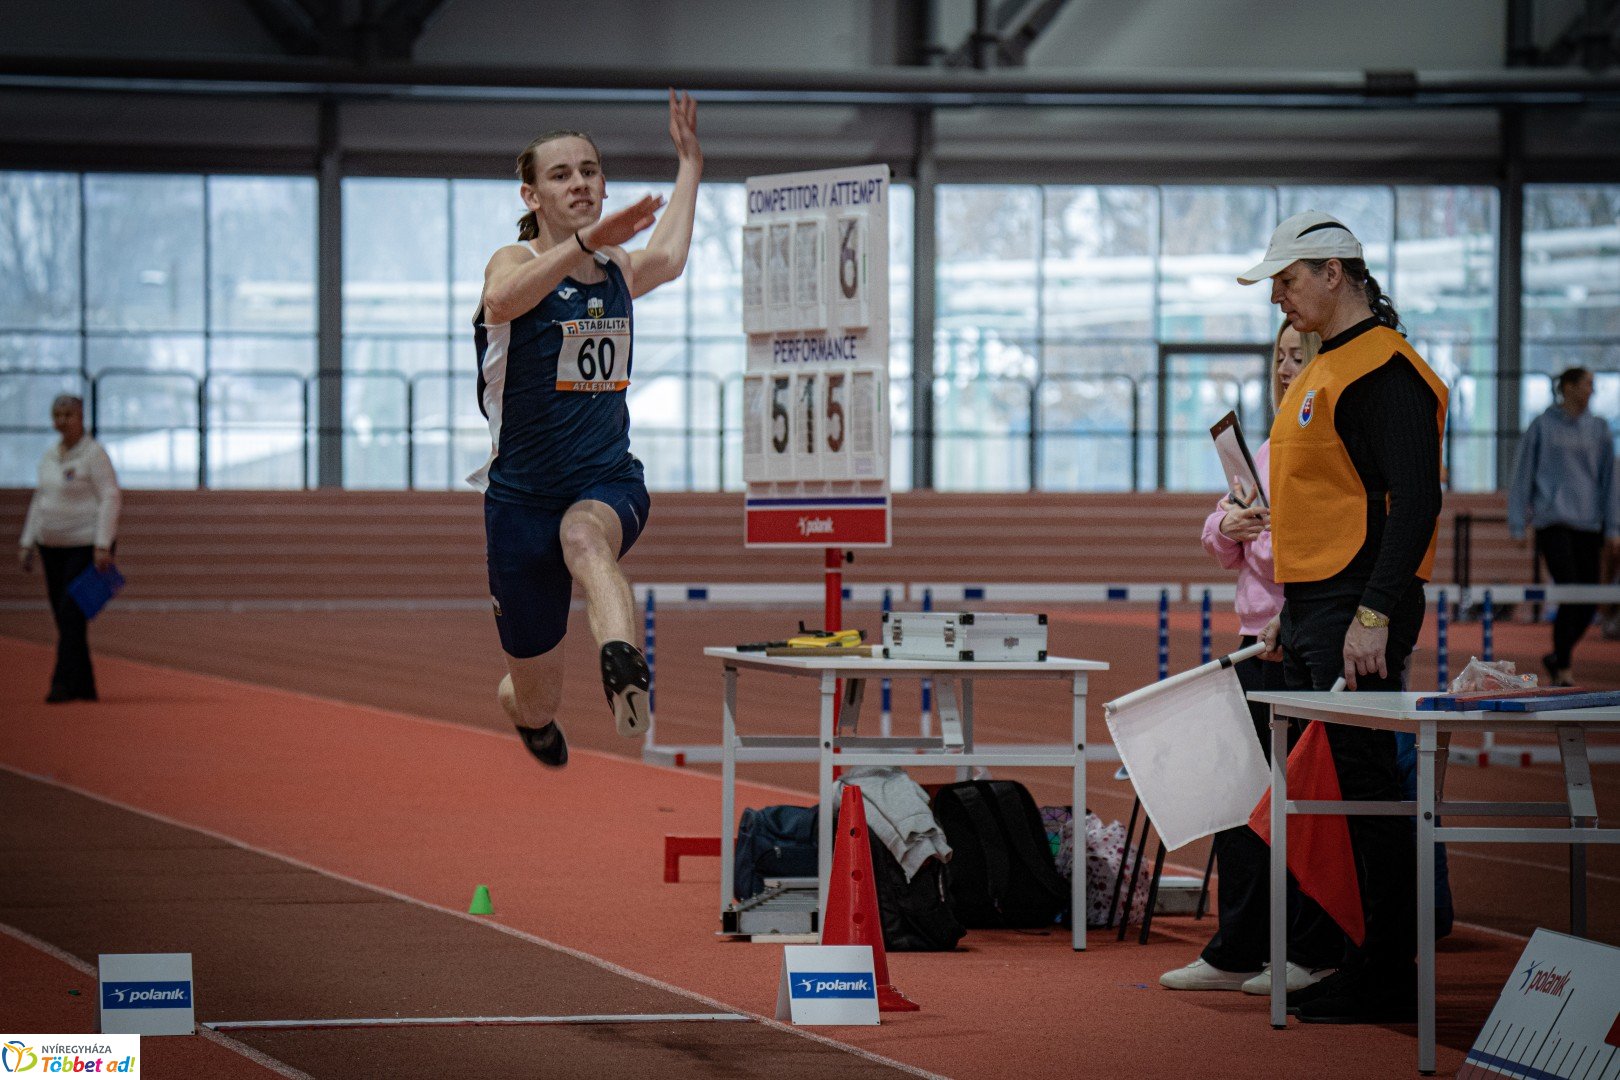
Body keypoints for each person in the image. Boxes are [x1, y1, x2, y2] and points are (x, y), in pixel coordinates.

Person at [1244, 210, 1448, 1025]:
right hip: (1319, 604)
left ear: (1335, 273)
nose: (1278, 302)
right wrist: (1295, 616)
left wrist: (1372, 614)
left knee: (1362, 787)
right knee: (1331, 789)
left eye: (1287, 282)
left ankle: (1388, 967)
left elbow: (1419, 501)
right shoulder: (1332, 368)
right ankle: (1357, 956)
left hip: (1358, 603)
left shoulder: (1385, 372)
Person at [470, 91, 701, 768]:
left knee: (585, 537)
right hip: (518, 502)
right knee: (537, 699)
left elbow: (670, 256)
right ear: (532, 194)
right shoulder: (511, 264)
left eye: (591, 170)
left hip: (605, 478)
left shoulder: (616, 271)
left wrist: (690, 164)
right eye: (562, 174)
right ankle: (527, 712)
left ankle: (623, 663)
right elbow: (502, 302)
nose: (581, 183)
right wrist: (586, 241)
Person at [1160, 321, 1344, 996]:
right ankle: (1238, 946)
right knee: (1238, 798)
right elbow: (1222, 532)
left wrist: (1255, 540)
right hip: (1255, 642)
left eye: (1301, 356)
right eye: (1279, 357)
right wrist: (1230, 526)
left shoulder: (1323, 446)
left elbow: (1297, 553)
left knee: (1301, 803)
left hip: (1299, 643)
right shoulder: (1267, 447)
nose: (1286, 368)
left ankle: (1310, 946)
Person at [1507, 366, 1619, 686]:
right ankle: (1564, 665)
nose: (1592, 391)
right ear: (1568, 387)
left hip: (1590, 525)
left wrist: (1613, 528)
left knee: (1587, 600)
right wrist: (1518, 523)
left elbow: (1610, 482)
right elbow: (1522, 474)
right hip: (1552, 522)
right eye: (1587, 384)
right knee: (1570, 589)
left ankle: (1557, 656)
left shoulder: (1599, 429)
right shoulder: (1541, 426)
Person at [17, 393, 122, 703]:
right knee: (64, 618)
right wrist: (27, 541)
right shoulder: (49, 456)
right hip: (51, 544)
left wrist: (103, 544)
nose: (62, 421)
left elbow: (110, 498)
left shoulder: (94, 455)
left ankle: (61, 683)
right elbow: (41, 499)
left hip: (84, 543)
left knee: (71, 611)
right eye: (57, 415)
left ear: (81, 418)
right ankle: (85, 684)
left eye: (68, 415)